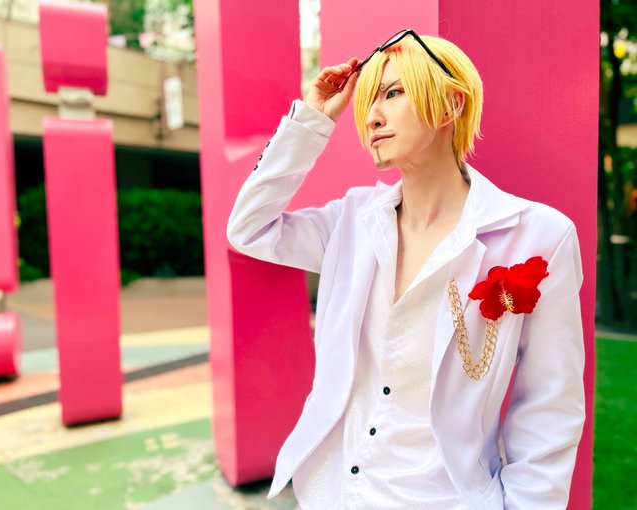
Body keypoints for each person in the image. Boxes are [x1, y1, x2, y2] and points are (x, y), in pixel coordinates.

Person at [227, 30, 585, 510]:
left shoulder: (538, 236)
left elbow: (549, 404)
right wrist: (312, 121)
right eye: (367, 102)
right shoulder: (352, 221)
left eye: (393, 93)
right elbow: (249, 228)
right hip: (332, 495)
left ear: (450, 105)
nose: (372, 116)